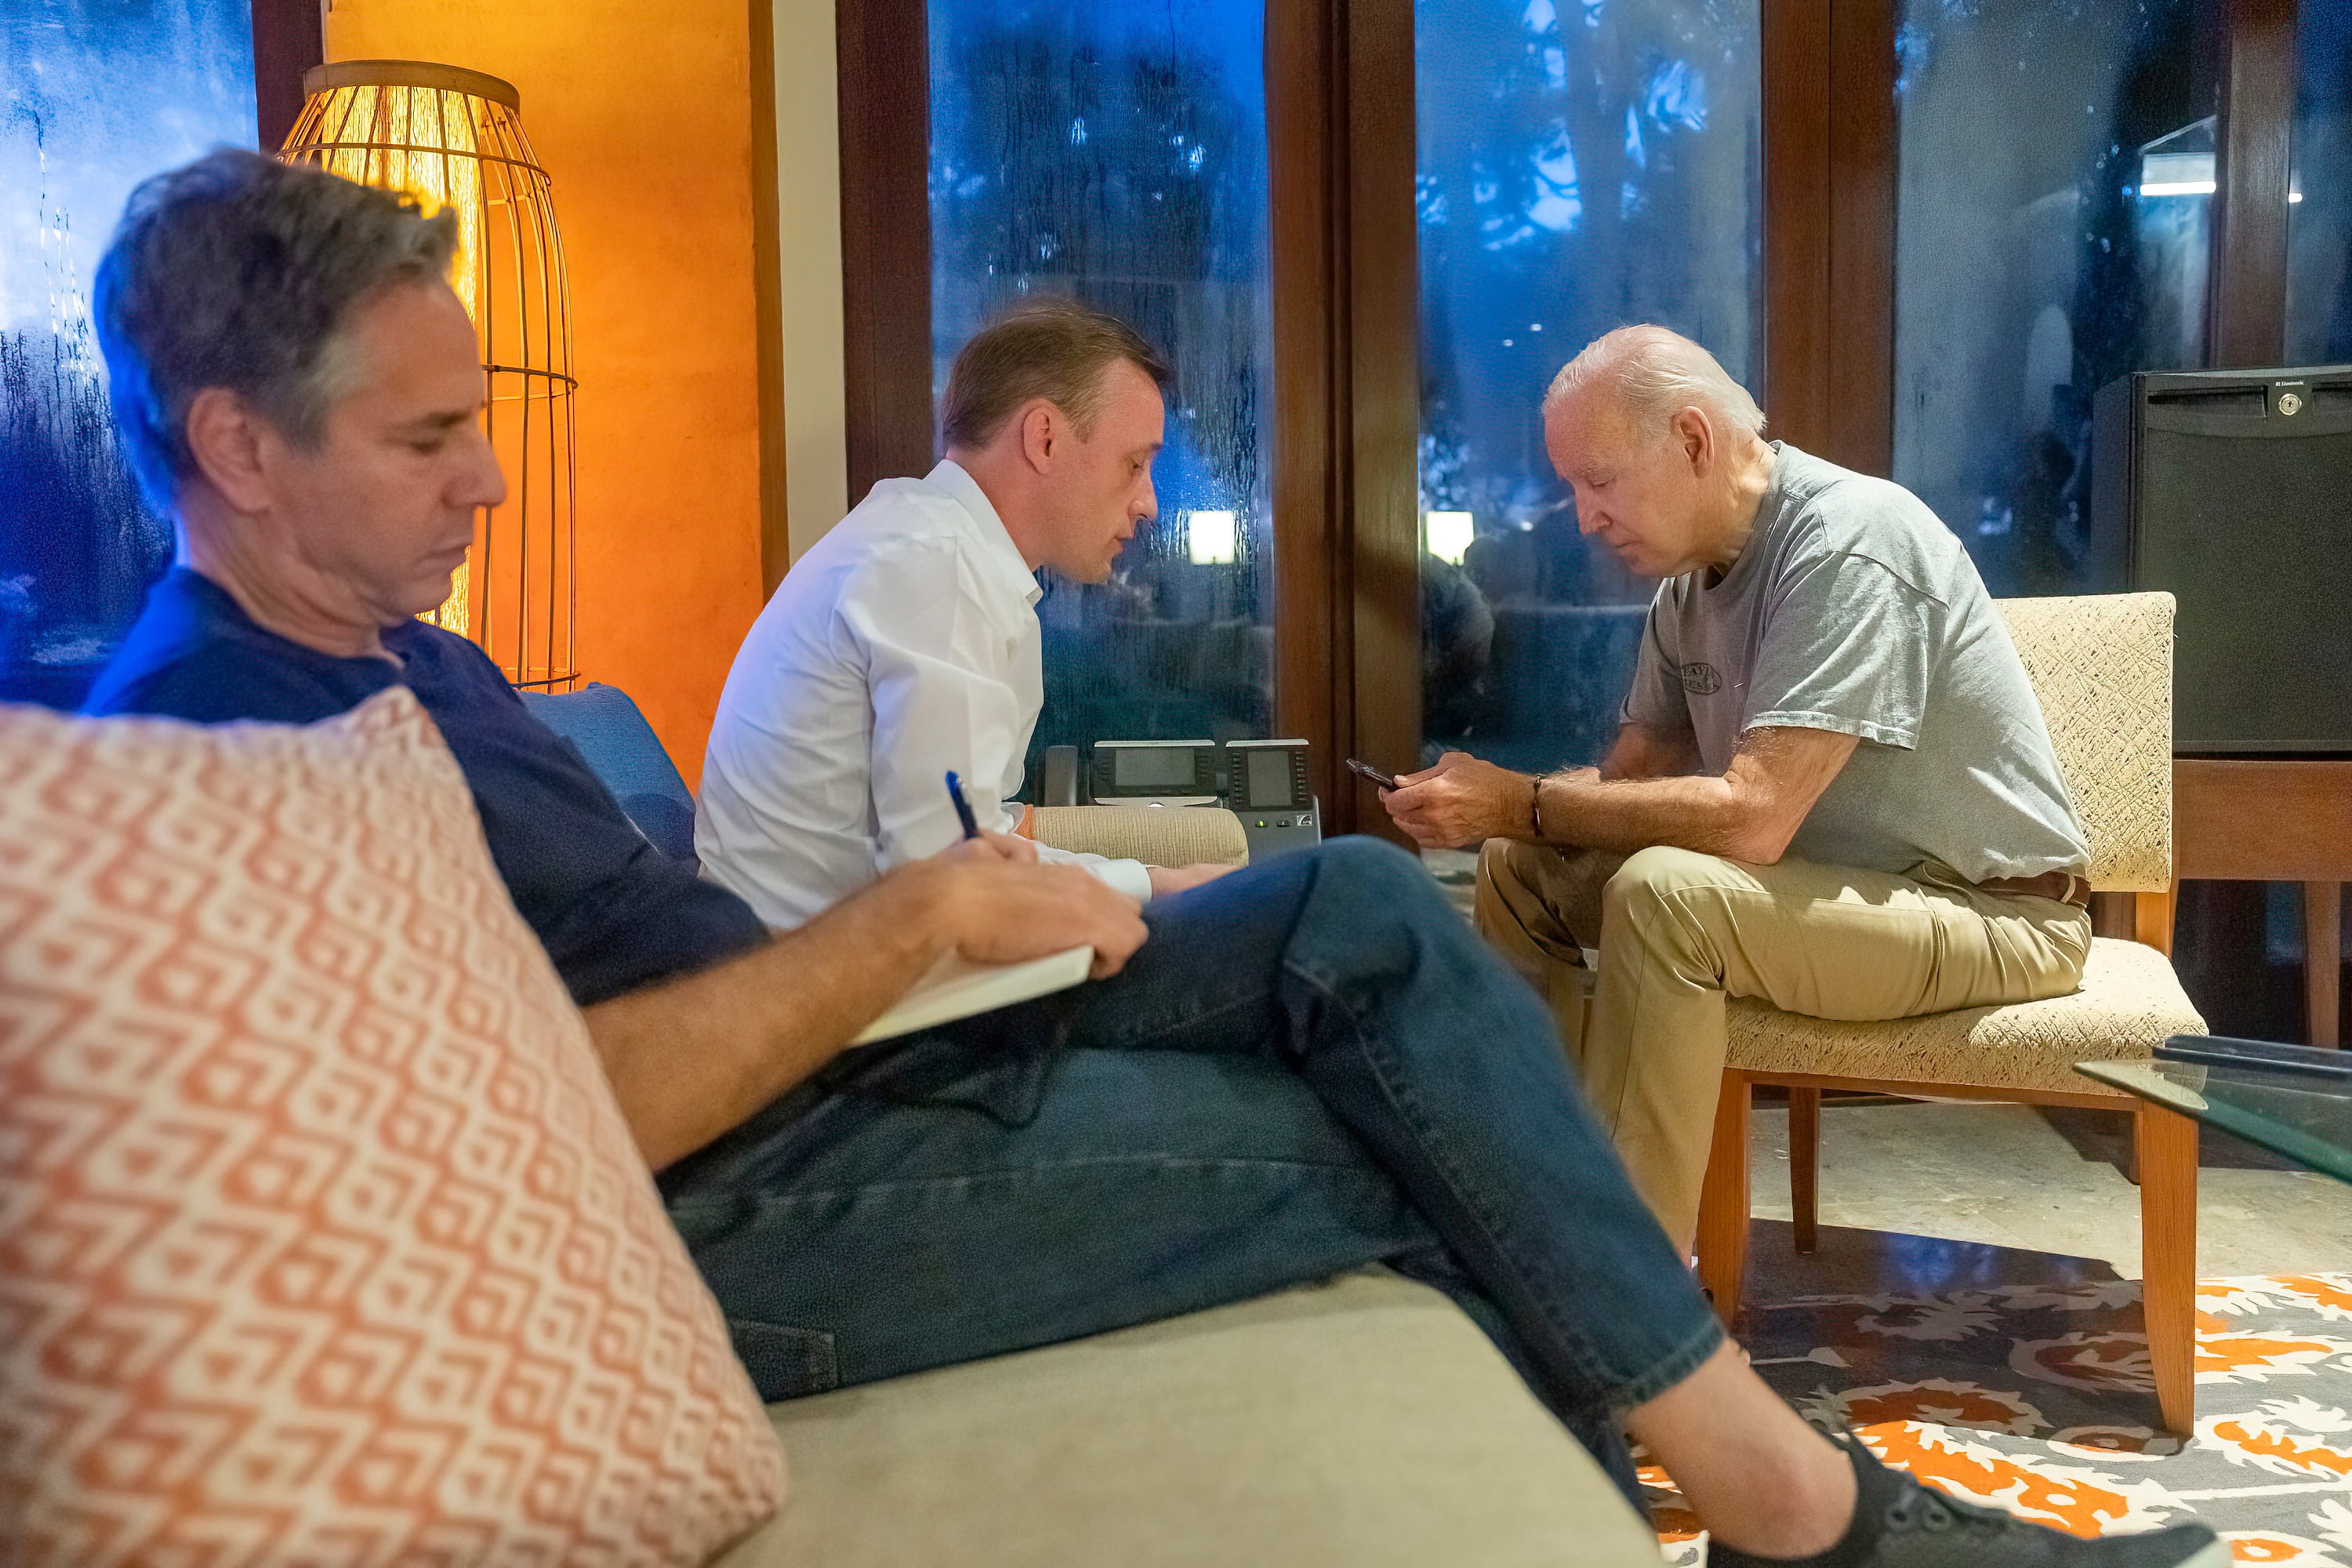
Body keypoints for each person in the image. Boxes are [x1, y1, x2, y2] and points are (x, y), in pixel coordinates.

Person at [78, 151, 2221, 1568]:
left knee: (1371, 917)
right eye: (429, 438)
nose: (485, 479)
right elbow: (534, 1120)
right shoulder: (218, 750)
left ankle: (1748, 1481)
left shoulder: (394, 664)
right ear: (239, 447)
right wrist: (926, 922)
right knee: (1410, 1122)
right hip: (728, 1213)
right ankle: (1797, 1506)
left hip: (813, 1081)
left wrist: (983, 923)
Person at [1383, 325, 2096, 1257]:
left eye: (1596, 480)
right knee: (1524, 867)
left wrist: (1522, 796)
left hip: (1992, 913)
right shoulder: (1684, 593)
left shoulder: (1848, 541)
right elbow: (1625, 786)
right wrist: (1496, 806)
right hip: (1821, 892)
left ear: (1691, 439)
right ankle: (1526, 1206)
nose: (1581, 514)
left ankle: (1626, 1296)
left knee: (1667, 898)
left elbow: (1755, 818)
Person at [695, 301, 1227, 931]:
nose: (1150, 504)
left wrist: (1156, 882)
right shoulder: (937, 567)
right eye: (1135, 463)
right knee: (1336, 887)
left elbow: (975, 843)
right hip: (849, 996)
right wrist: (1154, 889)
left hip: (852, 957)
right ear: (1045, 437)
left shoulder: (934, 544)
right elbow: (952, 887)